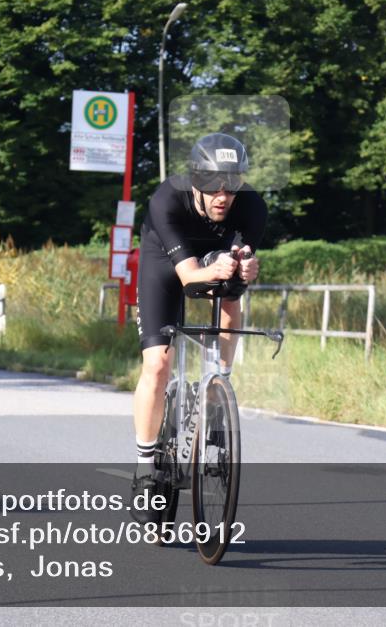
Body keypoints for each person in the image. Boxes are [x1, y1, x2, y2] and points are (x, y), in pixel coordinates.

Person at [131, 133, 267, 523]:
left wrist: (244, 271)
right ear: (195, 181)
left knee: (231, 292)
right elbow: (190, 278)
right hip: (166, 261)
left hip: (213, 256)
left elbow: (236, 273)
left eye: (233, 184)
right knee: (158, 363)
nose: (223, 195)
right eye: (212, 185)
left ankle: (219, 383)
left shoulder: (253, 207)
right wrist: (213, 270)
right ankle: (144, 465)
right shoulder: (167, 199)